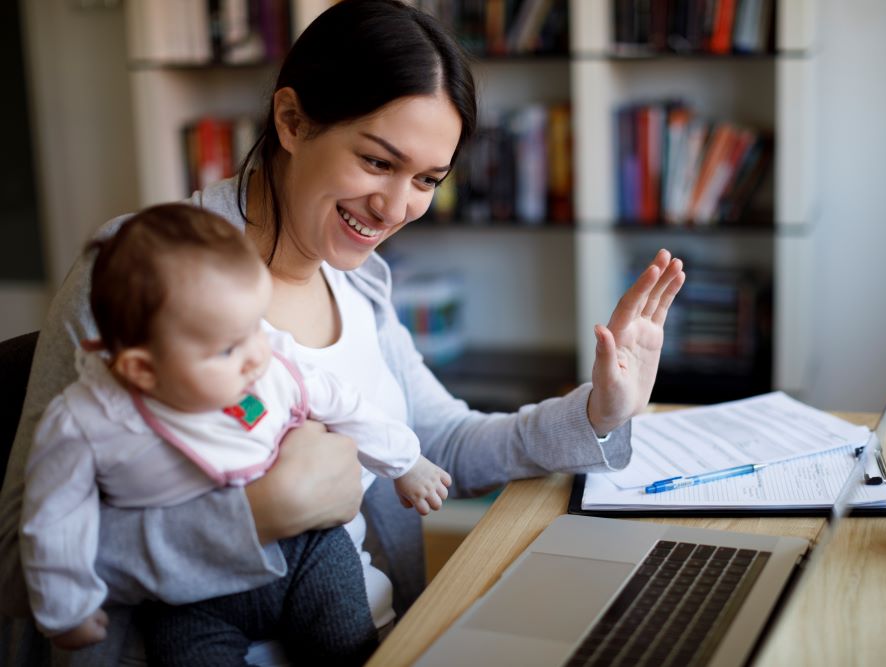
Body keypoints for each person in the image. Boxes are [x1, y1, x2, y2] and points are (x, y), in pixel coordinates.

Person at [0, 0, 686, 664]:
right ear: (293, 120)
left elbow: (439, 441)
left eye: (427, 179)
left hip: (374, 635)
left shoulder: (359, 278)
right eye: (378, 162)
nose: (396, 206)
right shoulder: (139, 271)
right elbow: (15, 562)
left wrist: (598, 412)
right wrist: (260, 514)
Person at [19, 203, 451, 664]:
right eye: (227, 348)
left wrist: (406, 462)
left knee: (347, 644)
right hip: (188, 593)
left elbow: (346, 404)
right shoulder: (87, 420)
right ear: (141, 369)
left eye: (256, 328)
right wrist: (67, 608)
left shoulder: (266, 361)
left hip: (305, 551)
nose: (255, 356)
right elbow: (54, 517)